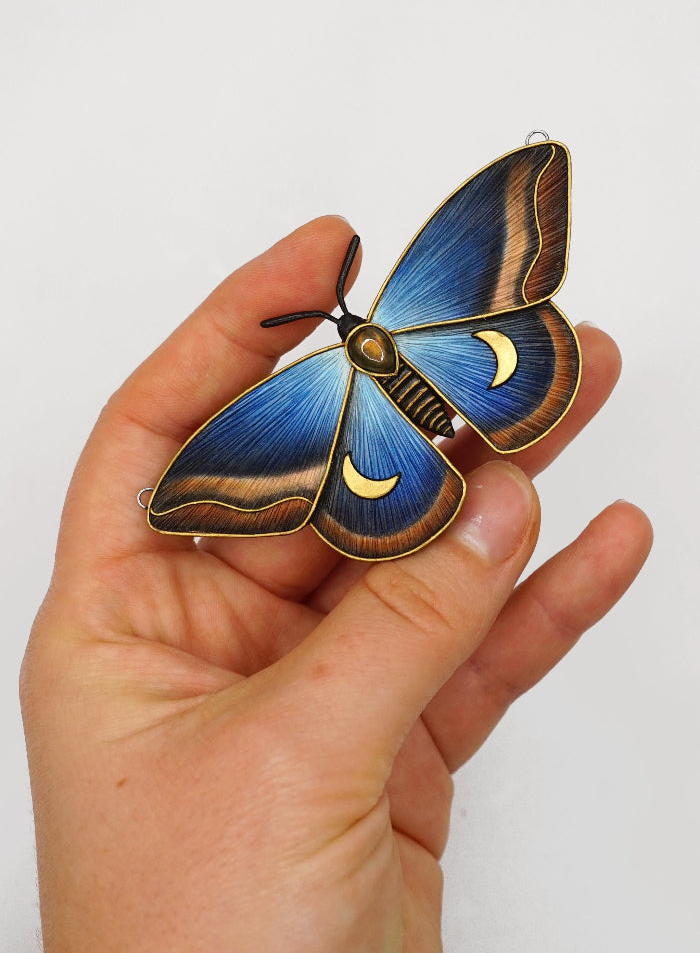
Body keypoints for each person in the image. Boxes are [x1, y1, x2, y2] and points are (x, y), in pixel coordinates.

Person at [20, 217, 652, 952]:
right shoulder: (338, 370)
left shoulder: (316, 385)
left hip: (394, 430)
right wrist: (170, 494)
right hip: (469, 370)